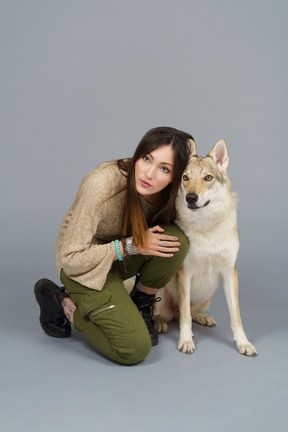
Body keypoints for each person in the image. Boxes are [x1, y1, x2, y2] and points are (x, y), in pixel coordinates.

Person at [34, 126, 193, 365]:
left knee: (177, 241)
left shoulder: (169, 192)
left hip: (121, 253)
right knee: (135, 348)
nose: (149, 174)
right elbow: (71, 258)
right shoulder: (102, 184)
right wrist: (132, 246)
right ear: (138, 154)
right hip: (82, 267)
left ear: (175, 175)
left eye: (164, 169)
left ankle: (140, 305)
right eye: (146, 158)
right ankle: (61, 302)